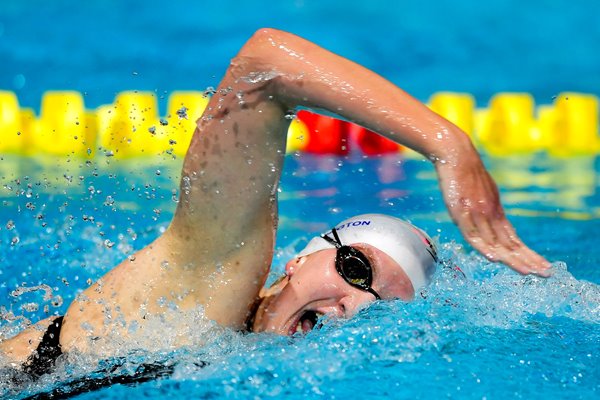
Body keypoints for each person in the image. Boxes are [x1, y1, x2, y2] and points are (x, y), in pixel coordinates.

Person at [0, 28, 552, 376]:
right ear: (297, 261)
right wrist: (449, 145)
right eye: (356, 269)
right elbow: (265, 67)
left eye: (382, 308)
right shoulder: (205, 288)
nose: (350, 309)